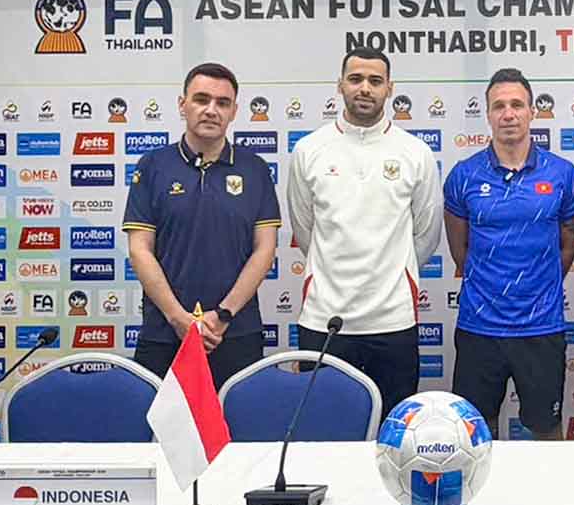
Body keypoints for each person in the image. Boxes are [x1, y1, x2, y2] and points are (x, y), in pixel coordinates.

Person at [287, 46, 442, 420]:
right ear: (339, 85)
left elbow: (426, 233)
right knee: (325, 432)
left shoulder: (415, 152)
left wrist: (392, 273)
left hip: (393, 321)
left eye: (375, 81)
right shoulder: (309, 150)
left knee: (395, 434)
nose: (365, 88)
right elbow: (304, 229)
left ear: (390, 88)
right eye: (355, 79)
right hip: (325, 320)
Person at [443, 68, 574, 440]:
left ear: (532, 111)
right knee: (474, 434)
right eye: (499, 106)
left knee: (547, 430)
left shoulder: (563, 174)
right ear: (488, 115)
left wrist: (537, 285)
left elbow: (568, 243)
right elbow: (461, 250)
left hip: (542, 328)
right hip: (479, 328)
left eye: (517, 105)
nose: (508, 114)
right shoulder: (464, 175)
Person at [123, 62, 280, 390]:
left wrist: (223, 315)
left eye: (222, 103)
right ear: (183, 104)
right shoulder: (152, 165)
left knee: (237, 435)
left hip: (236, 332)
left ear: (235, 111)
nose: (211, 110)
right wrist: (178, 318)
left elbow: (264, 250)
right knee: (156, 438)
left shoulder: (255, 169)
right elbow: (140, 249)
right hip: (164, 332)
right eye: (201, 99)